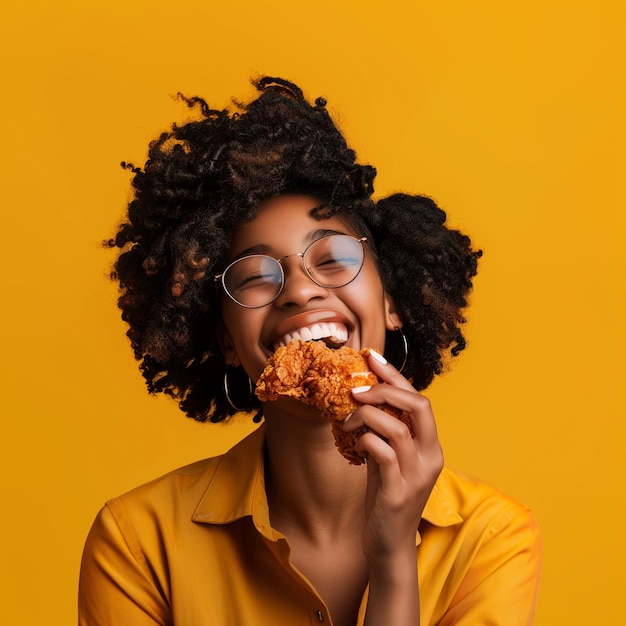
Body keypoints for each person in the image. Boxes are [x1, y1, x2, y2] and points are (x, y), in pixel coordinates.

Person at [78, 77, 541, 626]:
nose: (299, 290)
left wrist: (393, 557)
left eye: (333, 258)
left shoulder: (492, 539)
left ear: (391, 302)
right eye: (254, 275)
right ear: (226, 339)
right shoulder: (138, 543)